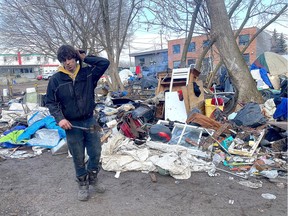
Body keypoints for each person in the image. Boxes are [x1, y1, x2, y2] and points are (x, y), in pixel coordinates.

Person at [45, 45, 110, 201]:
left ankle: (93, 177)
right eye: (64, 60)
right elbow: (51, 102)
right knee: (78, 156)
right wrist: (60, 118)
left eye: (70, 58)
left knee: (95, 152)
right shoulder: (56, 80)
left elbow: (104, 63)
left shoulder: (88, 74)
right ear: (61, 62)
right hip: (72, 125)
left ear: (75, 58)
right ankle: (82, 184)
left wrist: (84, 57)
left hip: (89, 120)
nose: (68, 63)